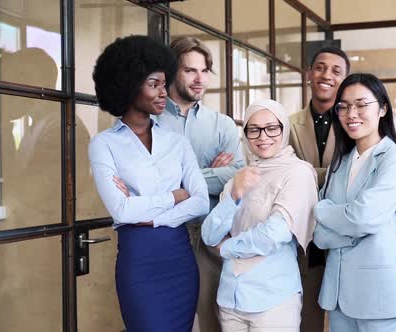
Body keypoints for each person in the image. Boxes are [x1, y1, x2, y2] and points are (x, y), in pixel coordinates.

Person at [89, 35, 209, 331]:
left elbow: (201, 200)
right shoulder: (104, 145)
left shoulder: (177, 142)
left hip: (179, 258)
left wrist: (152, 218)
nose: (163, 93)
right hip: (139, 261)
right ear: (129, 86)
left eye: (164, 85)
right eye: (154, 85)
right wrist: (174, 196)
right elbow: (122, 211)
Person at [201, 99, 318, 331]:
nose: (263, 137)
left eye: (272, 128)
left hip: (273, 300)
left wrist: (226, 248)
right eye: (253, 130)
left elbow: (273, 235)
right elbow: (209, 234)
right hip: (230, 297)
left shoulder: (298, 172)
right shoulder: (241, 176)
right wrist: (235, 193)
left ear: (284, 129)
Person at [153, 36, 245, 332]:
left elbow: (239, 175)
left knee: (212, 320)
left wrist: (186, 181)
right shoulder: (147, 122)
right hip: (165, 237)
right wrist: (210, 174)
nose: (199, 79)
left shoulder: (223, 125)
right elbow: (147, 185)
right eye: (189, 70)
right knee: (167, 320)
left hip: (213, 238)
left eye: (204, 71)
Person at [313, 73, 396, 331]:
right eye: (344, 106)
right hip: (338, 296)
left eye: (361, 104)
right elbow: (317, 234)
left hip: (378, 294)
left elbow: (363, 217)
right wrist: (355, 230)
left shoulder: (395, 158)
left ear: (382, 108)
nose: (351, 113)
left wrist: (322, 209)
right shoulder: (340, 163)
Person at [288, 46, 350, 332]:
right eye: (320, 68)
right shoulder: (287, 125)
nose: (327, 75)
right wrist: (335, 174)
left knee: (347, 317)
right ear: (309, 75)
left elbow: (358, 177)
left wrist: (304, 173)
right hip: (302, 237)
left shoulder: (356, 123)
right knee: (307, 320)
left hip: (346, 236)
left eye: (336, 71)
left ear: (345, 80)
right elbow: (282, 175)